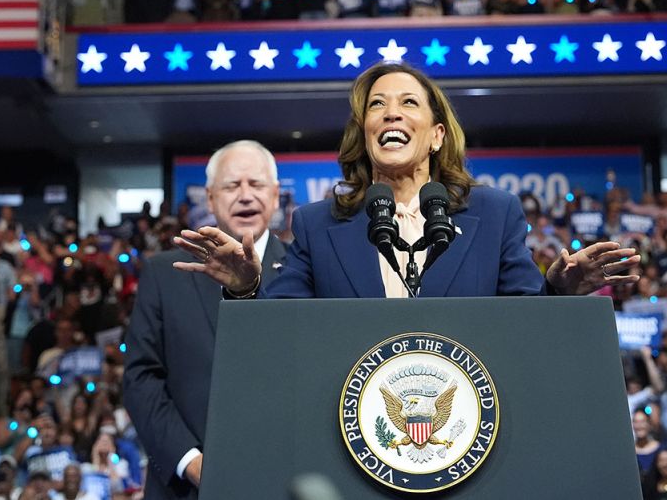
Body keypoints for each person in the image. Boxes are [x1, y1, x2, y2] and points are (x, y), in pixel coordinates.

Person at [175, 63, 640, 299]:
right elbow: (283, 336)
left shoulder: (494, 213)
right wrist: (245, 288)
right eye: (376, 105)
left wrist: (557, 291)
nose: (391, 112)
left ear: (437, 135)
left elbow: (522, 325)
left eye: (408, 103)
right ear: (365, 132)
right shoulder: (317, 224)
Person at [123, 140, 288, 499]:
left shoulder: (303, 271)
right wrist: (193, 462)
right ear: (210, 199)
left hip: (285, 482)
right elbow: (141, 379)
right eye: (232, 186)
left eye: (256, 185)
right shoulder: (164, 273)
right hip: (186, 488)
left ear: (275, 196)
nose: (246, 196)